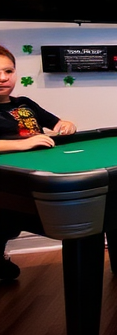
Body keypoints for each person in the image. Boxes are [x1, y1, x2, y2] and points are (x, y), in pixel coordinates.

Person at [0, 45, 76, 282]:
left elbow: (59, 123)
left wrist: (66, 125)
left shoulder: (24, 103)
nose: (3, 78)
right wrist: (22, 144)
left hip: (36, 176)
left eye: (9, 71)